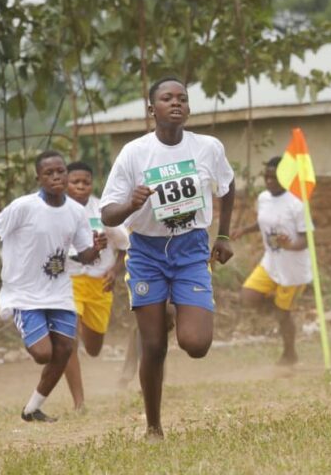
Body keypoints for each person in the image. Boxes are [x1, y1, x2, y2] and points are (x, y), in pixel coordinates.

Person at [100, 76, 235, 439]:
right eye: (167, 98)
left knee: (196, 345)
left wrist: (222, 235)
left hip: (191, 250)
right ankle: (153, 426)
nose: (176, 103)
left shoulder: (208, 147)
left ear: (188, 108)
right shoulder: (134, 153)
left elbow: (227, 184)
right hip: (146, 252)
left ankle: (173, 309)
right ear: (152, 108)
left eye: (182, 99)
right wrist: (132, 203)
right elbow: (108, 214)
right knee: (155, 346)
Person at [0, 150, 107, 422]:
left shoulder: (76, 211)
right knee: (43, 353)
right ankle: (29, 325)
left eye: (60, 171)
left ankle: (32, 408)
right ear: (38, 177)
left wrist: (95, 250)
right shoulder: (24, 206)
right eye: (49, 173)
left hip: (59, 292)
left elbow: (83, 255)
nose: (56, 177)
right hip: (24, 293)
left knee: (64, 349)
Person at [62, 161, 130, 410]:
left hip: (99, 284)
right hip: (69, 282)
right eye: (75, 182)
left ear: (92, 184)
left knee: (93, 347)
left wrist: (114, 270)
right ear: (66, 184)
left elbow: (124, 246)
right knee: (68, 341)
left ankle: (82, 334)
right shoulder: (57, 212)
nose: (81, 187)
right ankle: (79, 402)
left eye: (85, 182)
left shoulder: (102, 211)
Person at [231, 156, 311, 366]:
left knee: (284, 315)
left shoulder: (297, 203)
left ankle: (289, 354)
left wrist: (290, 245)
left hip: (294, 269)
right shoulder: (264, 198)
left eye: (273, 177)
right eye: (266, 177)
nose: (268, 181)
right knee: (248, 296)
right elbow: (264, 222)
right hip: (271, 262)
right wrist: (244, 230)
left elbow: (306, 239)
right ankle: (280, 309)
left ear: (284, 176)